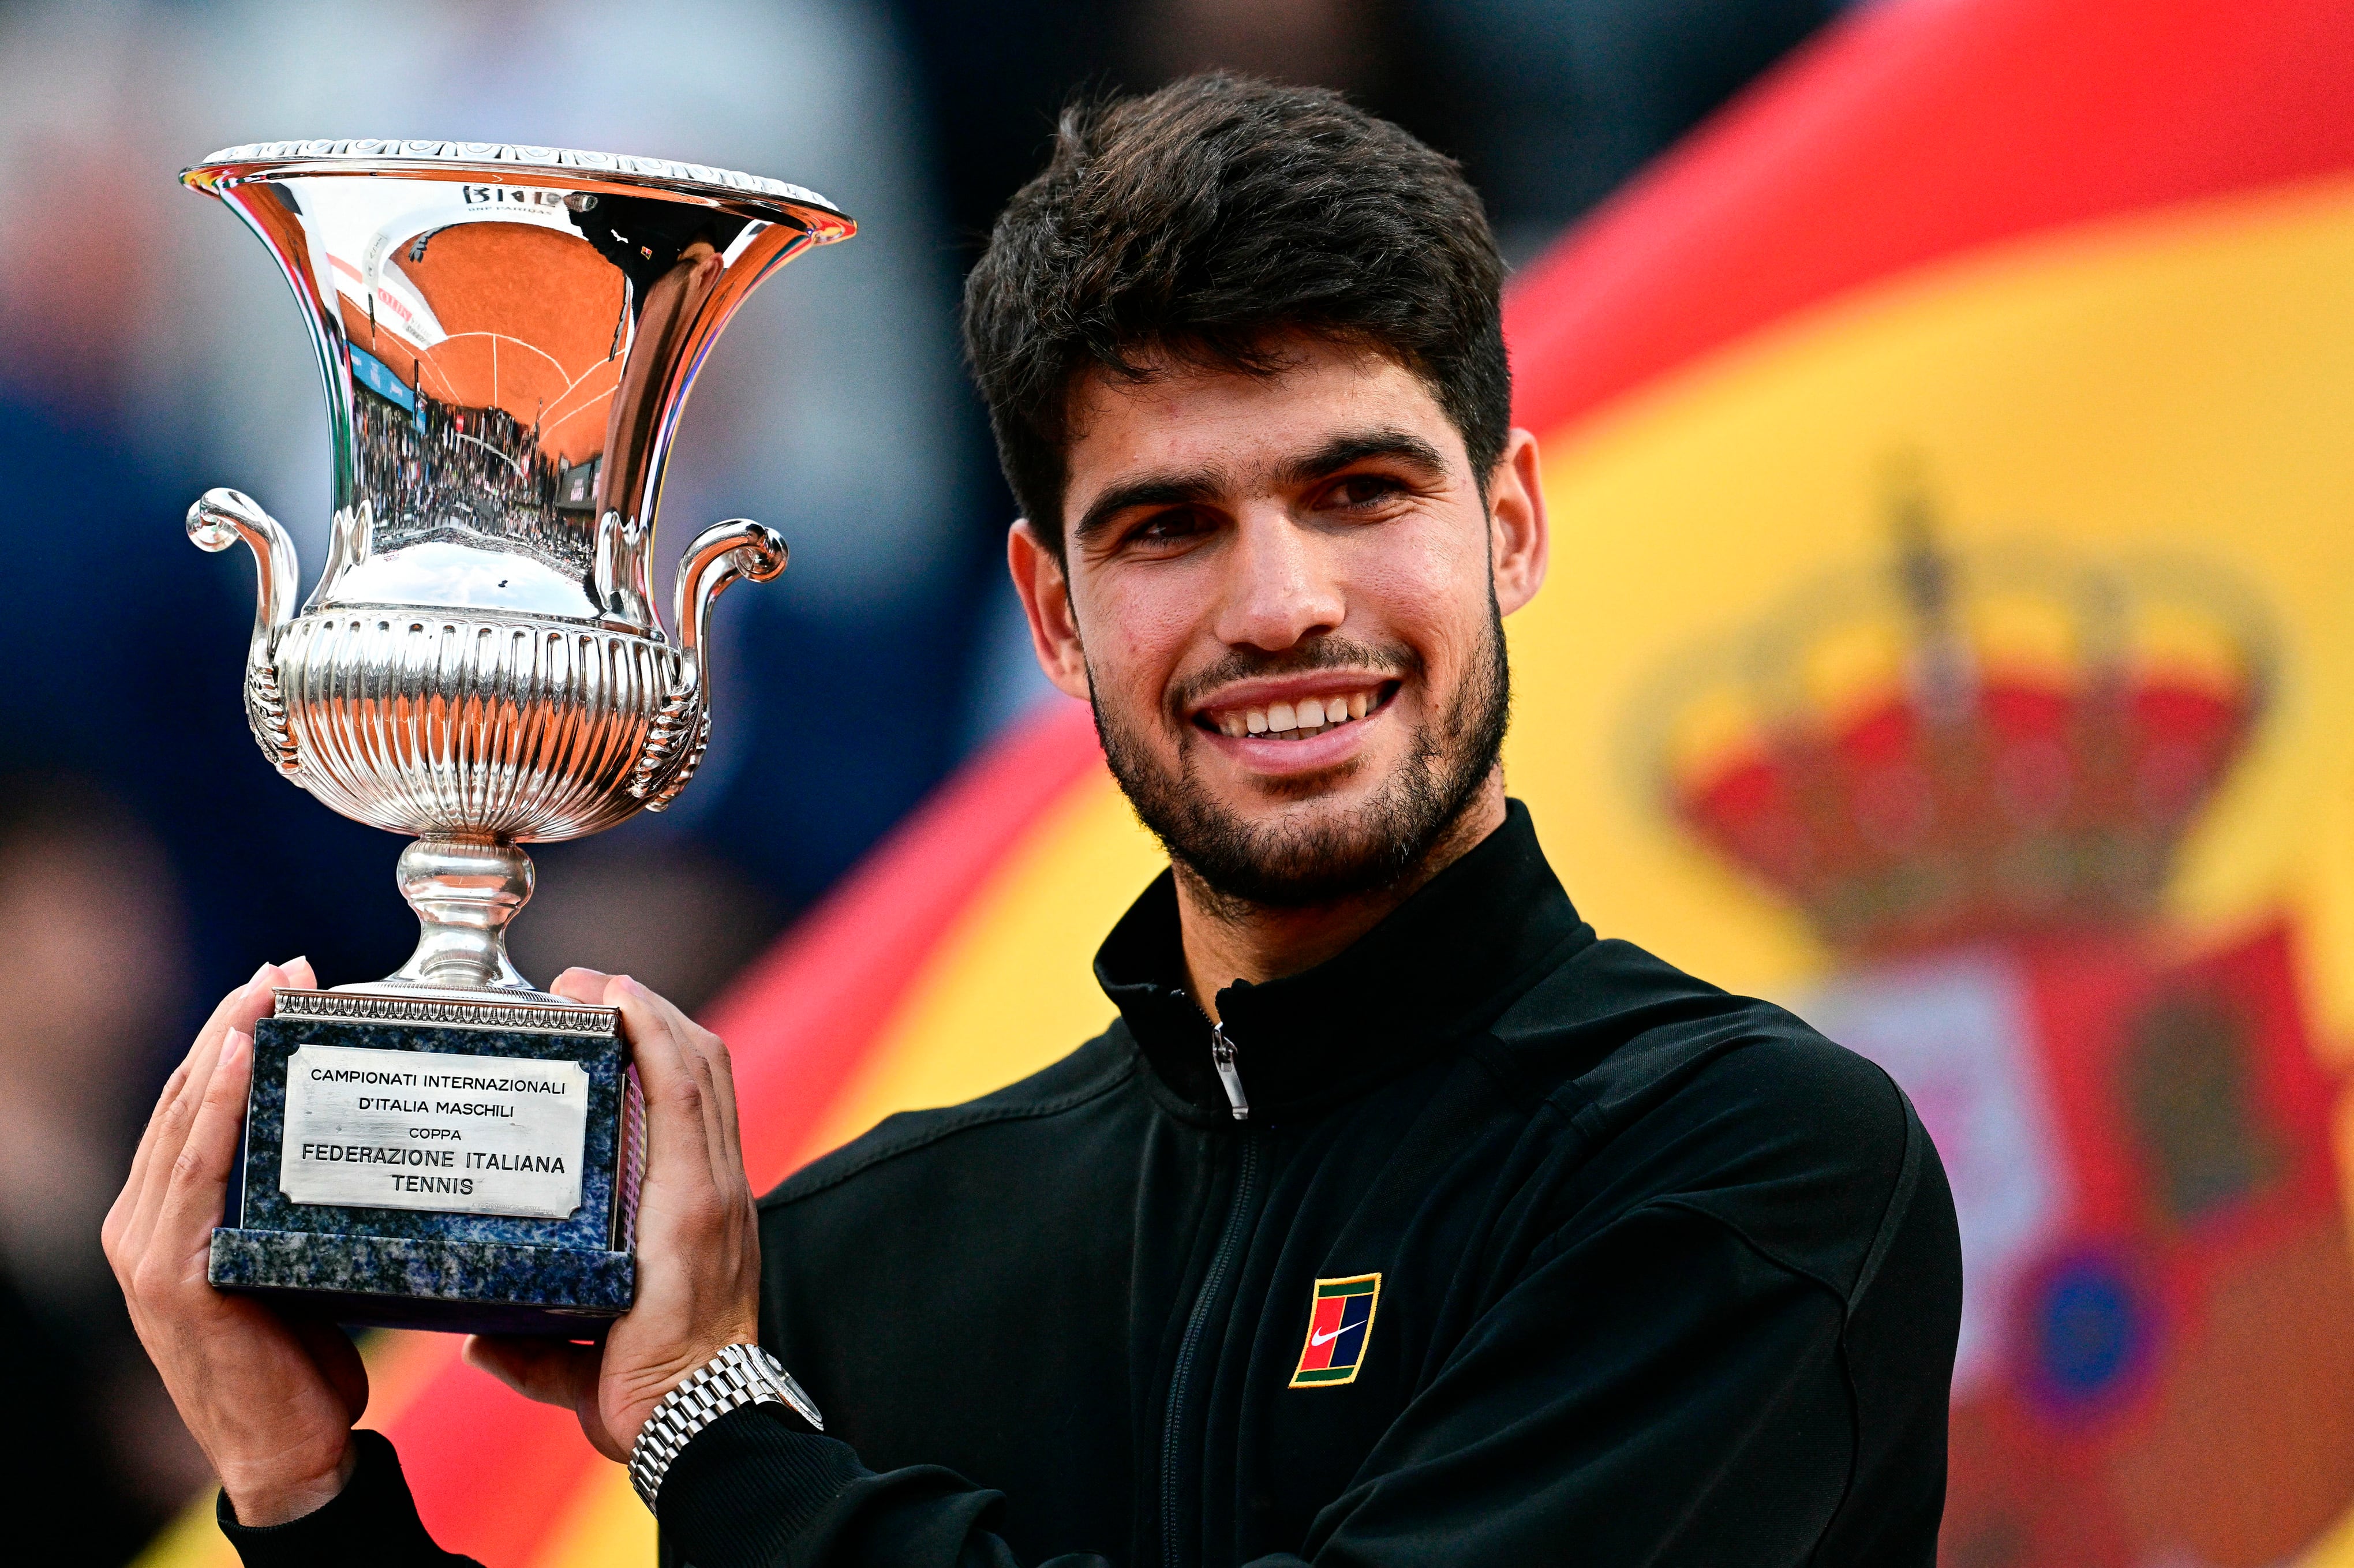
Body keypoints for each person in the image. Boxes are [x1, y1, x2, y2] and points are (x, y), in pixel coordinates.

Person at [107, 74, 1961, 1567]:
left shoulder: (1750, 1168)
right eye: (1171, 526)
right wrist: (302, 1490)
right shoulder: (866, 1248)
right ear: (1054, 612)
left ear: (1514, 526)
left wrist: (719, 1436)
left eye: (1359, 489)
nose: (1285, 602)